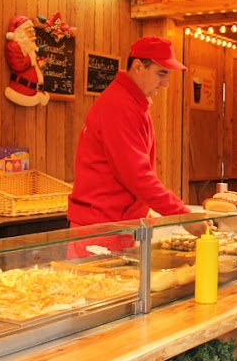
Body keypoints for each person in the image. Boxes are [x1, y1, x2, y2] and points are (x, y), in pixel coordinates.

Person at [68, 36, 203, 236]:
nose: (165, 83)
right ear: (138, 66)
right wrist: (181, 215)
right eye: (161, 73)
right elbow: (136, 175)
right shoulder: (120, 106)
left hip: (116, 223)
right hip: (101, 228)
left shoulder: (133, 101)